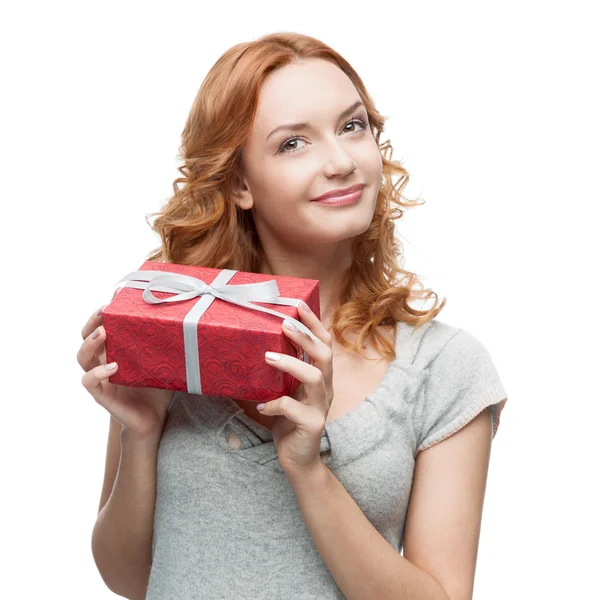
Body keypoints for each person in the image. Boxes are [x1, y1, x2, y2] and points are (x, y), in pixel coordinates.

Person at [79, 32, 508, 600]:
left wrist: (308, 469)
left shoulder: (443, 369)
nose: (340, 162)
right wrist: (140, 431)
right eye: (293, 144)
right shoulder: (175, 336)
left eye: (352, 126)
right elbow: (130, 578)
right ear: (238, 183)